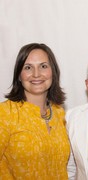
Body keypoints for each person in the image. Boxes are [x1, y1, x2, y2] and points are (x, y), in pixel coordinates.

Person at [0, 43, 70, 179]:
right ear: (19, 76)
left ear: (53, 73)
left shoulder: (59, 113)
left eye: (43, 66)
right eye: (28, 67)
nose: (36, 74)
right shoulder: (5, 114)